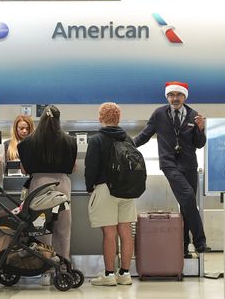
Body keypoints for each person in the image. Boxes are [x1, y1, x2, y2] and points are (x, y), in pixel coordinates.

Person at [134, 81, 210, 256]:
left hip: (190, 164)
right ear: (167, 96)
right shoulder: (159, 113)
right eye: (171, 95)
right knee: (188, 196)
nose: (175, 98)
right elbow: (145, 135)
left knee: (186, 205)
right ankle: (200, 242)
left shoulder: (193, 115)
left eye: (178, 95)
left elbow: (199, 144)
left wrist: (200, 129)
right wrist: (127, 146)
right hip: (170, 164)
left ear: (184, 97)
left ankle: (183, 248)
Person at [17, 105, 77, 285]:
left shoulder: (26, 143)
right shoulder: (70, 141)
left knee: (41, 225)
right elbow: (73, 168)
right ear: (59, 120)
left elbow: (24, 169)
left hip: (38, 185)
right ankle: (63, 268)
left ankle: (45, 270)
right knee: (63, 227)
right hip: (62, 185)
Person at [85, 102, 136, 286]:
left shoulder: (96, 139)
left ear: (100, 118)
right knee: (126, 232)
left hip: (106, 189)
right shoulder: (128, 139)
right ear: (118, 118)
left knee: (109, 233)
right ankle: (125, 273)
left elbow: (90, 167)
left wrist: (89, 186)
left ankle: (108, 275)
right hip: (128, 190)